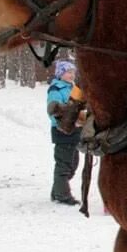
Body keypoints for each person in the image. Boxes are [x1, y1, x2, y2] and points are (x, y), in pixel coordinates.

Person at [47, 59, 81, 205]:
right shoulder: (56, 89)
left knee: (73, 164)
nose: (71, 75)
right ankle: (62, 195)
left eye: (73, 72)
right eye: (68, 72)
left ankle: (57, 191)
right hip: (62, 131)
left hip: (75, 130)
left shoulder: (73, 88)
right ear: (60, 74)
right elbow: (53, 109)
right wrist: (63, 114)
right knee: (64, 165)